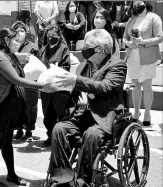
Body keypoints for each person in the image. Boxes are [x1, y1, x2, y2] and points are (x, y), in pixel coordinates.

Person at [44, 29, 127, 187]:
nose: (84, 49)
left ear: (100, 49)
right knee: (59, 128)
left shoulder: (118, 65)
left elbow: (104, 87)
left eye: (87, 46)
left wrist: (75, 79)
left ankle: (81, 181)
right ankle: (61, 178)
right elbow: (74, 90)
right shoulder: (83, 66)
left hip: (104, 115)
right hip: (83, 114)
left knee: (92, 134)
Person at [0, 27, 48, 187]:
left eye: (19, 41)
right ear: (6, 40)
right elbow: (17, 80)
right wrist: (40, 85)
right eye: (16, 41)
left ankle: (11, 174)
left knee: (6, 143)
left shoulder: (7, 54)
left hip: (8, 106)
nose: (18, 44)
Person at [123, 1, 163, 126]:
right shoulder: (131, 19)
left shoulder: (154, 18)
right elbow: (124, 37)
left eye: (140, 3)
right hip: (133, 56)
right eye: (135, 4)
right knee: (135, 85)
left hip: (148, 56)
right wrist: (128, 43)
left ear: (146, 4)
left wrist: (143, 41)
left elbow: (160, 37)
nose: (137, 6)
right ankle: (136, 112)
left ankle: (147, 113)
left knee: (146, 85)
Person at [39, 24, 71, 146]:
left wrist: (54, 69)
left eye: (53, 35)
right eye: (48, 35)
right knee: (48, 114)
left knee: (61, 113)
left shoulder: (63, 49)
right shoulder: (42, 50)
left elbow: (66, 66)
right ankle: (50, 135)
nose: (50, 37)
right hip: (45, 87)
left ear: (59, 36)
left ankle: (62, 137)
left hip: (59, 87)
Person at [11, 21, 40, 142]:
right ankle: (19, 129)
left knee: (31, 105)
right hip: (16, 79)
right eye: (17, 31)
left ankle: (29, 129)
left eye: (22, 31)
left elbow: (37, 63)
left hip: (30, 80)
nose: (20, 34)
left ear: (26, 33)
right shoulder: (11, 45)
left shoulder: (32, 46)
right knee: (17, 105)